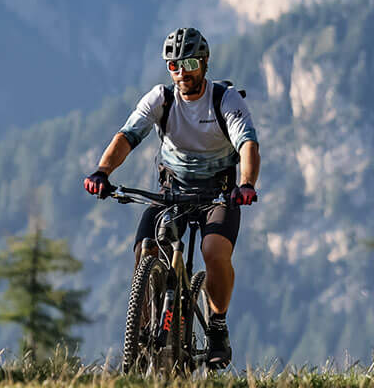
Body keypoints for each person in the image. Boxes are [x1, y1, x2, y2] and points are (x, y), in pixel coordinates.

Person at [83, 26, 259, 368]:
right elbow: (127, 136)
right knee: (144, 250)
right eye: (173, 65)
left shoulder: (225, 99)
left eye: (190, 63)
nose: (182, 72)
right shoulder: (160, 99)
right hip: (172, 191)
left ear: (205, 63)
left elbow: (248, 144)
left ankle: (218, 326)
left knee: (213, 252)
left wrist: (247, 182)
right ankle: (147, 331)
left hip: (219, 193)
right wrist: (102, 172)